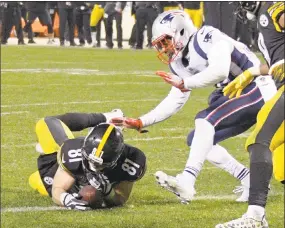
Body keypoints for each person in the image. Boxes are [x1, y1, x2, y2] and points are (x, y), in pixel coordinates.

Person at [111, 10, 277, 204]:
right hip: (238, 93)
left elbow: (220, 70)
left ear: (181, 31)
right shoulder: (179, 61)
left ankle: (188, 180)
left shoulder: (206, 36)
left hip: (259, 86)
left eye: (165, 41)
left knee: (205, 120)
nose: (164, 49)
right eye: (160, 45)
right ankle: (247, 177)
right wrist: (141, 121)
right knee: (197, 139)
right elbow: (175, 100)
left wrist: (186, 83)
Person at [216, 2, 284, 227]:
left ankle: (255, 217)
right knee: (282, 165)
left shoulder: (273, 8)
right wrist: (251, 72)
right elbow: (275, 62)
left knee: (259, 141)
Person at [29, 110, 147, 210]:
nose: (93, 166)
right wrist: (65, 199)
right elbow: (58, 188)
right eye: (89, 159)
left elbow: (121, 198)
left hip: (74, 187)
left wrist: (108, 192)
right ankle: (105, 117)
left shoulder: (131, 161)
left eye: (100, 164)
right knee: (45, 123)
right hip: (69, 170)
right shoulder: (72, 151)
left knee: (34, 180)